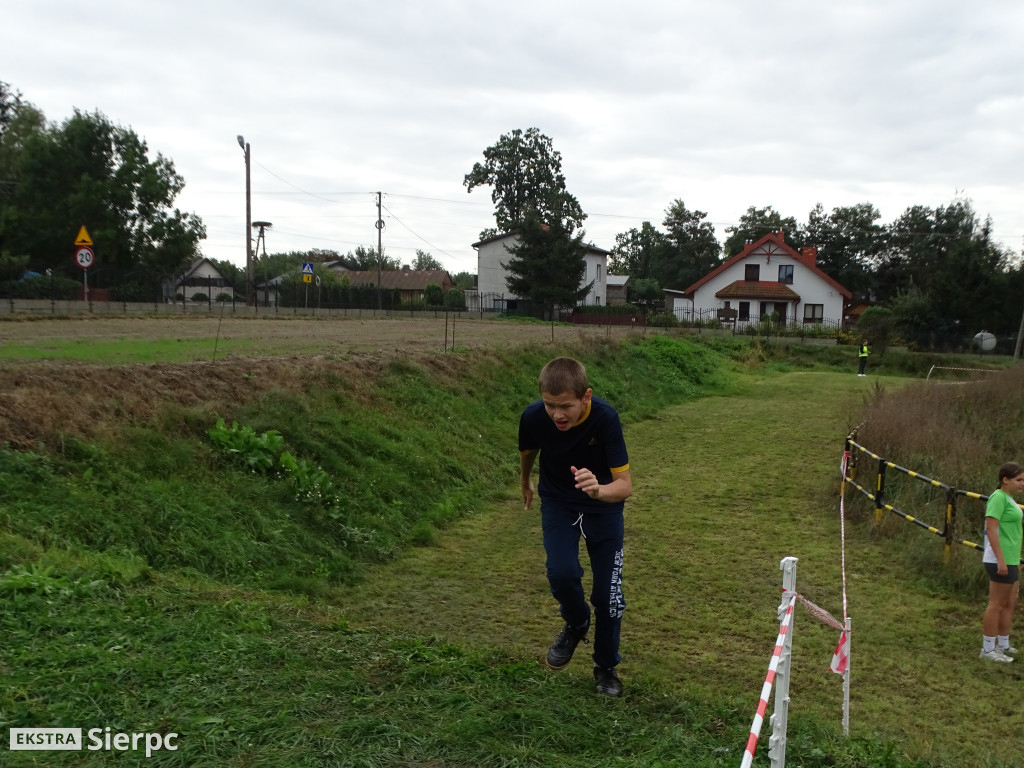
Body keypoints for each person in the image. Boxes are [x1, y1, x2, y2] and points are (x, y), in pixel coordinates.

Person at [518, 357, 633, 696]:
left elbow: (624, 485)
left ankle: (605, 668)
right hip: (558, 502)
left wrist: (598, 489)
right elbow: (528, 449)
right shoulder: (533, 416)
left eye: (565, 406)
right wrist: (525, 481)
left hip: (603, 507)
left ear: (586, 397)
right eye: (550, 405)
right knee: (562, 573)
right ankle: (577, 620)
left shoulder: (605, 419)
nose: (557, 414)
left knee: (608, 596)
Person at [980, 462, 1024, 662]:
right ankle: (988, 650)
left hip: (1011, 559)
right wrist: (1001, 560)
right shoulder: (998, 498)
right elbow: (991, 529)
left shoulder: (1009, 499)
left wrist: (1015, 560)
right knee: (996, 604)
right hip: (1000, 560)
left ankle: (1003, 644)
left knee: (1009, 603)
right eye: (1019, 480)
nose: (1022, 484)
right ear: (1005, 480)